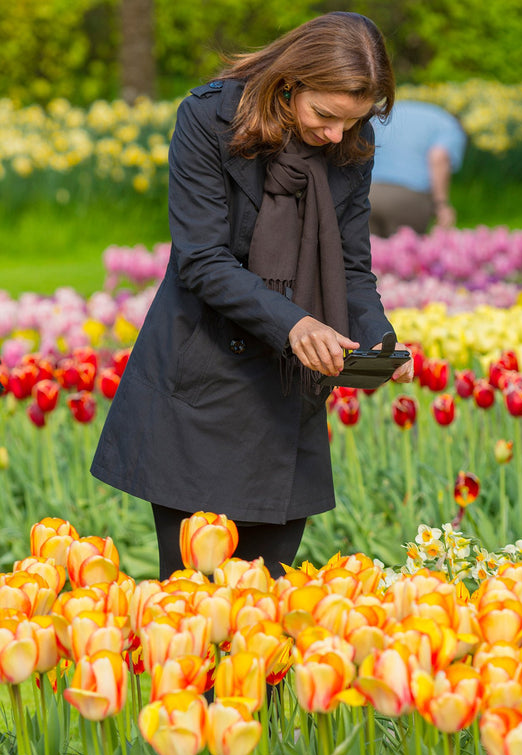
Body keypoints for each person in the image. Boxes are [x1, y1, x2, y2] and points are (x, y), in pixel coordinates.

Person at [90, 12, 414, 581]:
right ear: (290, 83)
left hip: (288, 397)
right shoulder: (208, 118)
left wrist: (379, 341)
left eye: (352, 122)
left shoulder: (348, 142)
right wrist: (295, 325)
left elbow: (350, 266)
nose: (337, 136)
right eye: (326, 116)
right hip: (200, 385)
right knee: (194, 607)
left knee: (268, 613)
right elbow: (202, 260)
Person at [369, 100, 467, 237]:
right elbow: (438, 157)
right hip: (409, 198)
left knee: (371, 252)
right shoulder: (449, 125)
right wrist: (441, 205)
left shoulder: (385, 113)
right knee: (405, 253)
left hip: (369, 194)